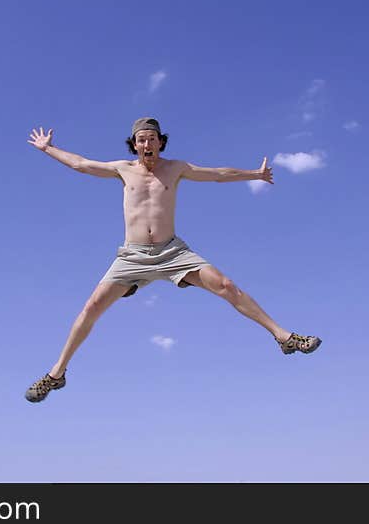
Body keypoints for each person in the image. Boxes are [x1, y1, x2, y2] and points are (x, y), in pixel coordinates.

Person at [24, 117, 321, 403]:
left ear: (161, 142)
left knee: (226, 285)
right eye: (141, 140)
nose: (147, 144)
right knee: (91, 307)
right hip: (133, 256)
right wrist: (48, 148)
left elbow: (217, 174)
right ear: (135, 145)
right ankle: (56, 374)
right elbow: (82, 164)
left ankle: (284, 338)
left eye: (152, 139)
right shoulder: (123, 169)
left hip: (173, 252)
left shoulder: (176, 169)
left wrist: (254, 174)